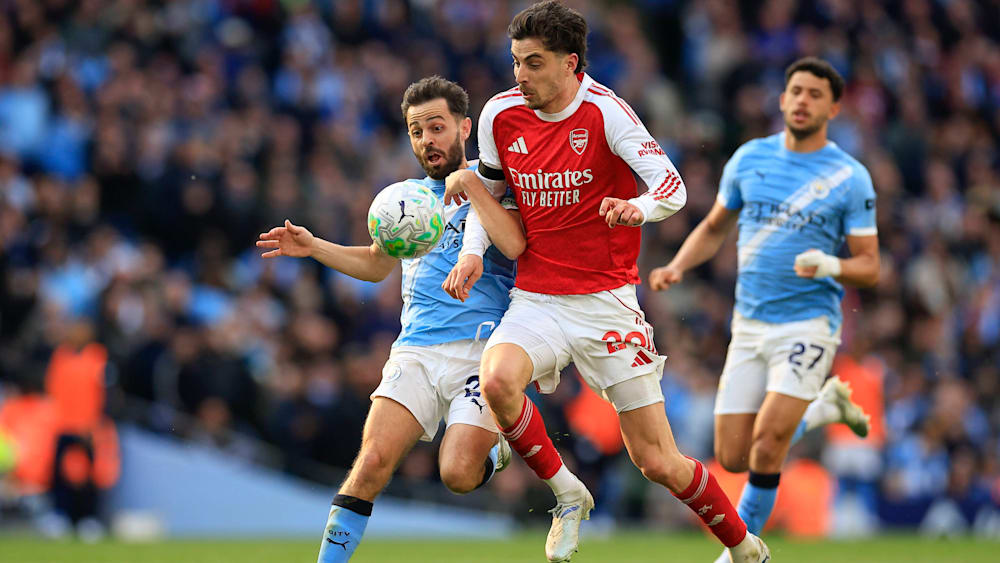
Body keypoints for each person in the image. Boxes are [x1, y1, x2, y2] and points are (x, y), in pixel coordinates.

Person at [442, 2, 769, 561]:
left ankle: (743, 548)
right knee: (496, 381)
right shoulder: (500, 114)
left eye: (534, 63)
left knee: (657, 461)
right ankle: (569, 495)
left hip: (606, 305)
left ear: (570, 63)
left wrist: (639, 208)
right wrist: (473, 252)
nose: (521, 75)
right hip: (537, 299)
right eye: (516, 61)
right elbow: (489, 194)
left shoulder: (607, 113)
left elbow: (672, 187)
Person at [257, 76, 518, 563]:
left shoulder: (499, 190)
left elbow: (519, 247)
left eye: (437, 127)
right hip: (415, 349)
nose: (427, 140)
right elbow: (378, 265)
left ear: (465, 128)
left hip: (481, 351)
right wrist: (314, 247)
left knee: (458, 475)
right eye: (417, 131)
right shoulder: (407, 200)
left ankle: (492, 449)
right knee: (372, 462)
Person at [648, 56, 877, 561]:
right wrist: (678, 266)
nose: (802, 101)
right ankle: (823, 409)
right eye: (796, 91)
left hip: (809, 325)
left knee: (769, 444)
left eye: (815, 94)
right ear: (782, 99)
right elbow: (714, 227)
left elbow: (870, 265)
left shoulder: (850, 177)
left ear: (833, 108)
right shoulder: (750, 158)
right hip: (750, 325)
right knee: (733, 455)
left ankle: (739, 554)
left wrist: (831, 265)